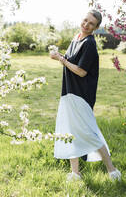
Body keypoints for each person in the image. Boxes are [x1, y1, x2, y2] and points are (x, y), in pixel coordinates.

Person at [50, 10, 121, 182]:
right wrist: (59, 56)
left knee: (89, 133)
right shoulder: (76, 38)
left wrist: (61, 59)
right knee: (69, 132)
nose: (86, 24)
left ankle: (112, 171)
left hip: (81, 95)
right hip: (68, 92)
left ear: (96, 28)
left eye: (91, 23)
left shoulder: (89, 43)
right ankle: (75, 173)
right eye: (85, 20)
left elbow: (81, 72)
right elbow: (69, 61)